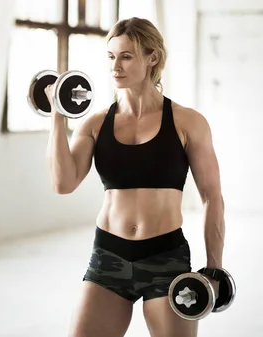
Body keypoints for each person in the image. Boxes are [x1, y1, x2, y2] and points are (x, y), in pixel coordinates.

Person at [44, 17, 225, 337]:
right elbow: (63, 183)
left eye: (126, 56)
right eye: (111, 57)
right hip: (108, 257)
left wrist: (214, 266)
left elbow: (211, 196)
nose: (116, 66)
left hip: (166, 259)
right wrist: (58, 114)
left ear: (152, 57)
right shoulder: (95, 124)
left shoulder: (188, 122)